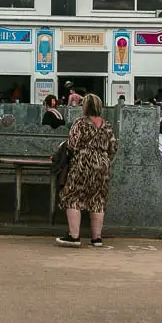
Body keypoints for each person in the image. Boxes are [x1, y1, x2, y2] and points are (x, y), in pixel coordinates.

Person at [56, 94, 118, 247]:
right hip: (102, 163)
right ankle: (97, 238)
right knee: (98, 199)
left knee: (72, 196)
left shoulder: (80, 123)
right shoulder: (107, 125)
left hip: (83, 162)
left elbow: (73, 144)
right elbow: (113, 147)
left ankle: (74, 236)